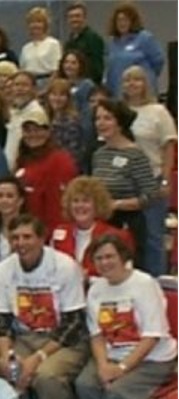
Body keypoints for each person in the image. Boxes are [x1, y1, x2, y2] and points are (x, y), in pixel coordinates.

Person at [76, 234, 178, 399]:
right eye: (98, 258)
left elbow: (153, 336)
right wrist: (102, 366)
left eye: (110, 256)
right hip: (111, 354)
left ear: (123, 257)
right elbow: (96, 335)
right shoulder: (97, 289)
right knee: (85, 384)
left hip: (153, 357)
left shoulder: (144, 284)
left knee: (118, 393)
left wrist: (120, 370)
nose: (104, 262)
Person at [0, 214, 89, 399]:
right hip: (23, 336)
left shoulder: (65, 266)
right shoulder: (3, 269)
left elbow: (73, 323)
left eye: (27, 237)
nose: (21, 243)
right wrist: (6, 355)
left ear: (42, 238)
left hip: (63, 341)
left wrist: (37, 358)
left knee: (47, 376)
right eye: (15, 238)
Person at [91, 98, 159, 274]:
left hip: (129, 223)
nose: (101, 123)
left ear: (119, 123)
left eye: (107, 118)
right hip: (103, 222)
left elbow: (150, 194)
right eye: (98, 118)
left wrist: (118, 204)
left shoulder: (135, 154)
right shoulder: (99, 154)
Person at [122, 65, 177, 277]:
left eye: (137, 79)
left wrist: (165, 180)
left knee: (153, 236)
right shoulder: (120, 111)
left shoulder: (158, 112)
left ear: (146, 84)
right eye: (127, 80)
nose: (132, 84)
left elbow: (169, 147)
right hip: (124, 182)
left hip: (152, 179)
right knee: (129, 237)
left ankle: (157, 282)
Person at [50, 176, 135, 279]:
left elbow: (125, 276)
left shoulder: (117, 236)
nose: (80, 206)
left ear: (97, 205)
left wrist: (89, 279)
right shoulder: (59, 233)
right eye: (75, 201)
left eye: (86, 201)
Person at [14, 107, 79, 230]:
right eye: (28, 130)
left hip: (48, 230)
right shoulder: (23, 158)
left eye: (38, 130)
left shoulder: (60, 160)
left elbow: (59, 203)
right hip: (27, 228)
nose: (33, 134)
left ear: (48, 132)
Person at [104, 2, 164, 97]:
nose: (122, 23)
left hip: (142, 95)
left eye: (125, 20)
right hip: (118, 94)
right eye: (119, 20)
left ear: (133, 21)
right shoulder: (111, 42)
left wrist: (147, 79)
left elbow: (158, 62)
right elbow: (108, 68)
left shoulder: (145, 37)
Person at [43, 78, 86, 168]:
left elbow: (73, 154)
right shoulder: (46, 118)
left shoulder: (71, 121)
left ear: (68, 98)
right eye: (54, 94)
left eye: (62, 95)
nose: (57, 99)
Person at [64, 1, 105, 84]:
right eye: (71, 17)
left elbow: (97, 68)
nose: (74, 19)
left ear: (85, 18)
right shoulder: (69, 42)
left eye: (77, 16)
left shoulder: (93, 38)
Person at [19, 7, 61, 84]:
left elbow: (56, 71)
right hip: (28, 84)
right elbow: (22, 71)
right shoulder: (26, 48)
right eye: (32, 22)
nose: (35, 25)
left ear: (45, 24)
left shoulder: (53, 43)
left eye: (39, 21)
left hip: (47, 82)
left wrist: (46, 89)